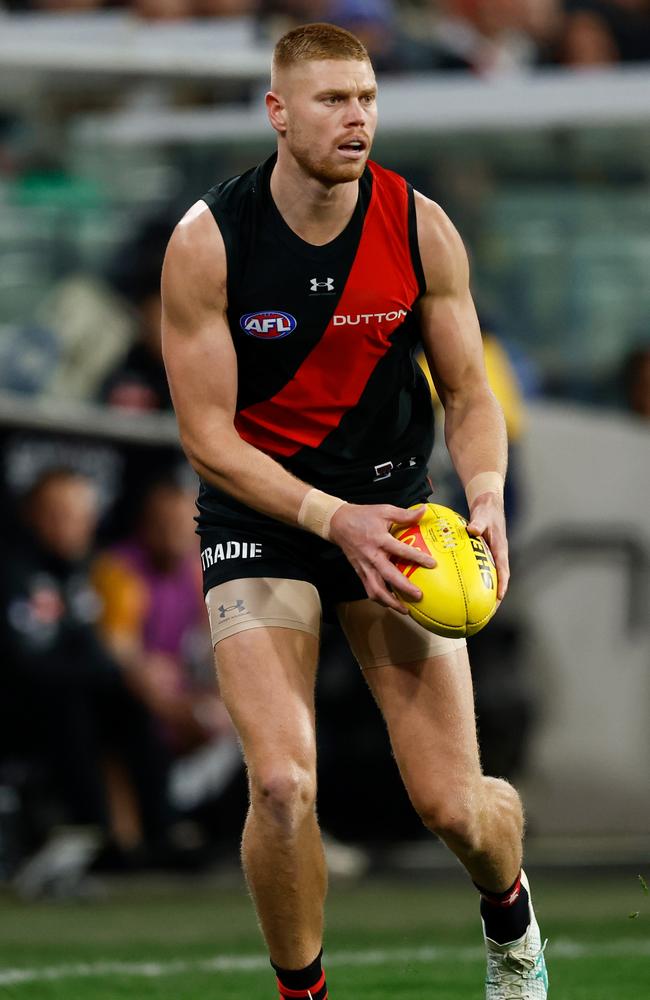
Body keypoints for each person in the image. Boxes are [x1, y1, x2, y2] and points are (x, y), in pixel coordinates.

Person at [161, 22, 548, 1000]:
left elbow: (469, 397)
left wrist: (488, 498)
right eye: (332, 99)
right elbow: (208, 439)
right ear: (277, 112)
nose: (356, 117)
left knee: (456, 807)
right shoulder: (209, 242)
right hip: (264, 518)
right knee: (284, 785)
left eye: (367, 98)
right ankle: (304, 995)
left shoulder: (419, 226)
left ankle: (511, 931)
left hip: (395, 516)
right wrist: (330, 518)